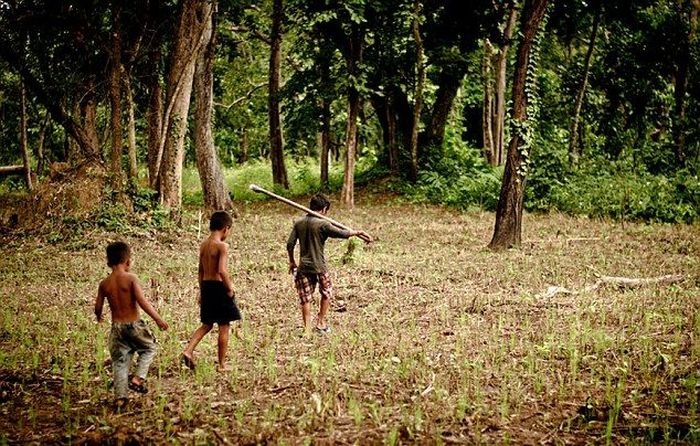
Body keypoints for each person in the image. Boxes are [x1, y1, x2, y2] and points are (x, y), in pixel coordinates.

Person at [94, 241, 169, 410]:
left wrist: (99, 317)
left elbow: (98, 307)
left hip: (117, 328)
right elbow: (142, 302)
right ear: (128, 261)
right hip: (134, 325)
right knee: (149, 348)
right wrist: (158, 319)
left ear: (108, 262)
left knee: (120, 361)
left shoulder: (104, 283)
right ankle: (138, 377)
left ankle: (120, 398)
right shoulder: (131, 278)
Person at [287, 193, 371, 336]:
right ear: (324, 209)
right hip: (319, 266)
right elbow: (341, 233)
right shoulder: (323, 224)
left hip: (303, 267)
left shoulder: (299, 223)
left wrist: (292, 261)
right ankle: (320, 323)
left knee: (305, 298)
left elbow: (290, 244)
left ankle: (307, 329)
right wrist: (359, 232)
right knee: (326, 292)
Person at [182, 210, 241, 372]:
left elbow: (200, 271)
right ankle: (222, 364)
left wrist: (201, 291)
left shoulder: (204, 245)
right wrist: (230, 288)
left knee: (207, 324)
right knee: (224, 326)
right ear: (226, 228)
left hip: (207, 286)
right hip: (219, 288)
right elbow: (222, 270)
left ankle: (188, 350)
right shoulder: (222, 246)